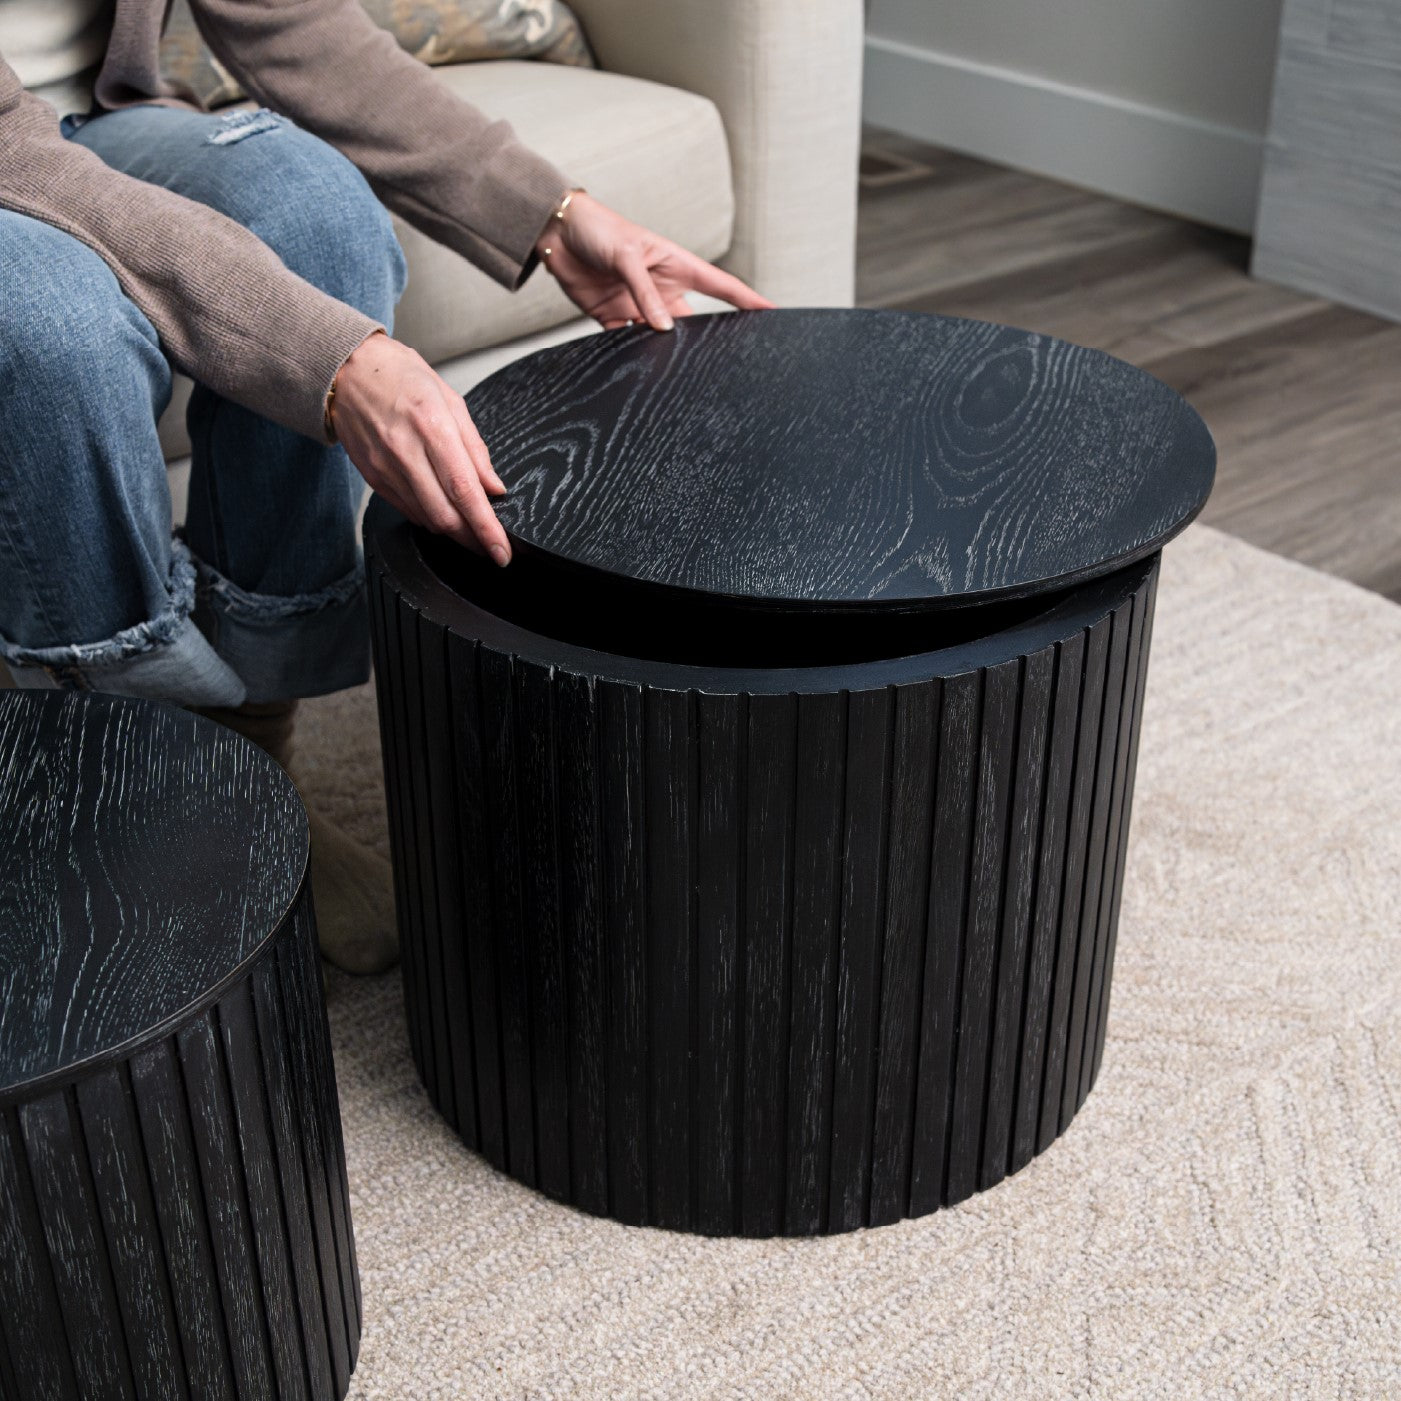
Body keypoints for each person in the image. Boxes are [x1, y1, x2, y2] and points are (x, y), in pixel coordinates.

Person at [0, 0, 773, 974]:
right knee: (54, 331)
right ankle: (134, 801)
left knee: (318, 216)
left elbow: (293, 24)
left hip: (99, 119)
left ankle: (249, 756)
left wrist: (555, 215)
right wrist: (333, 360)